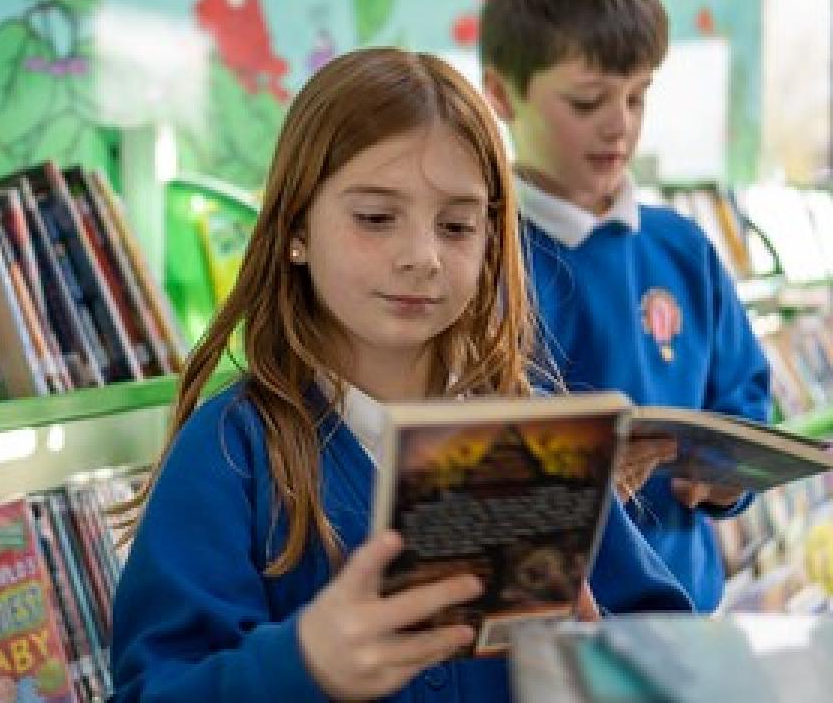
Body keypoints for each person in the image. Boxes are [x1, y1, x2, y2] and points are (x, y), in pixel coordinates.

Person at [109, 47, 692, 703]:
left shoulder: (535, 443)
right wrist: (303, 664)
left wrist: (600, 658)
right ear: (296, 226)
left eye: (456, 225)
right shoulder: (228, 452)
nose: (422, 257)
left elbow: (669, 653)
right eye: (376, 218)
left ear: (491, 240)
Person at [480, 0, 772, 613]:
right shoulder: (479, 255)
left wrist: (728, 478)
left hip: (689, 609)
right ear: (501, 94)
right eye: (588, 101)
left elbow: (746, 399)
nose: (621, 124)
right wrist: (579, 485)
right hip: (539, 625)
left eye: (638, 96)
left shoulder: (684, 248)